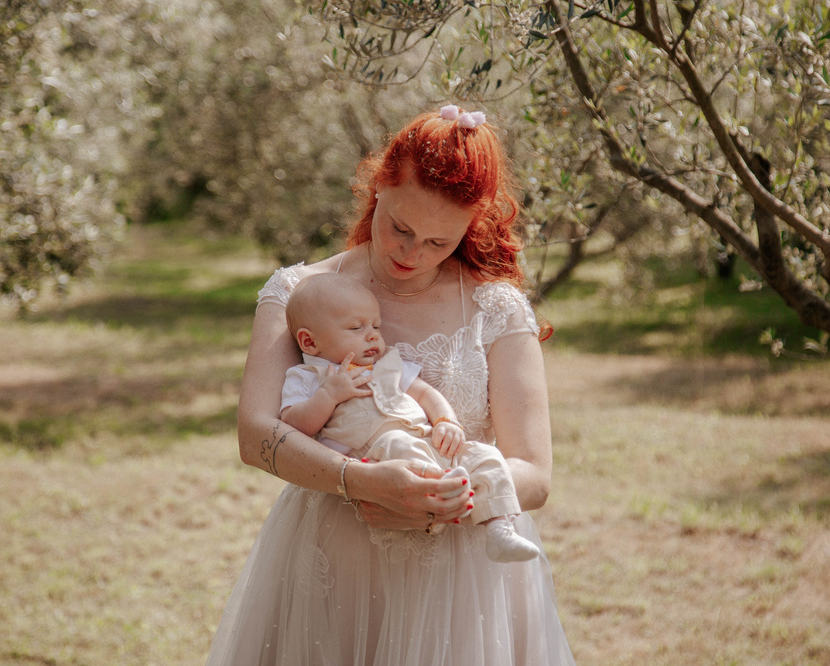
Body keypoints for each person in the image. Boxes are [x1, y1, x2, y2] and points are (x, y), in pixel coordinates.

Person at [206, 104, 575, 665]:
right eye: (401, 228)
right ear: (378, 186)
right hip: (334, 569)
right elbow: (256, 436)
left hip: (463, 583)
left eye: (438, 242)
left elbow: (536, 475)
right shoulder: (299, 292)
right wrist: (360, 481)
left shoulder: (496, 307)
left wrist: (442, 504)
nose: (412, 252)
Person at [280, 272, 541, 563]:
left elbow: (425, 393)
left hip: (425, 440)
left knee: (484, 455)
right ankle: (440, 494)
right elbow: (292, 428)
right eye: (356, 327)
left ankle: (499, 526)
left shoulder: (388, 364)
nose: (373, 335)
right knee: (397, 443)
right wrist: (328, 395)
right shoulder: (308, 377)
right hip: (378, 459)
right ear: (309, 342)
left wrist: (446, 421)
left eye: (376, 326)